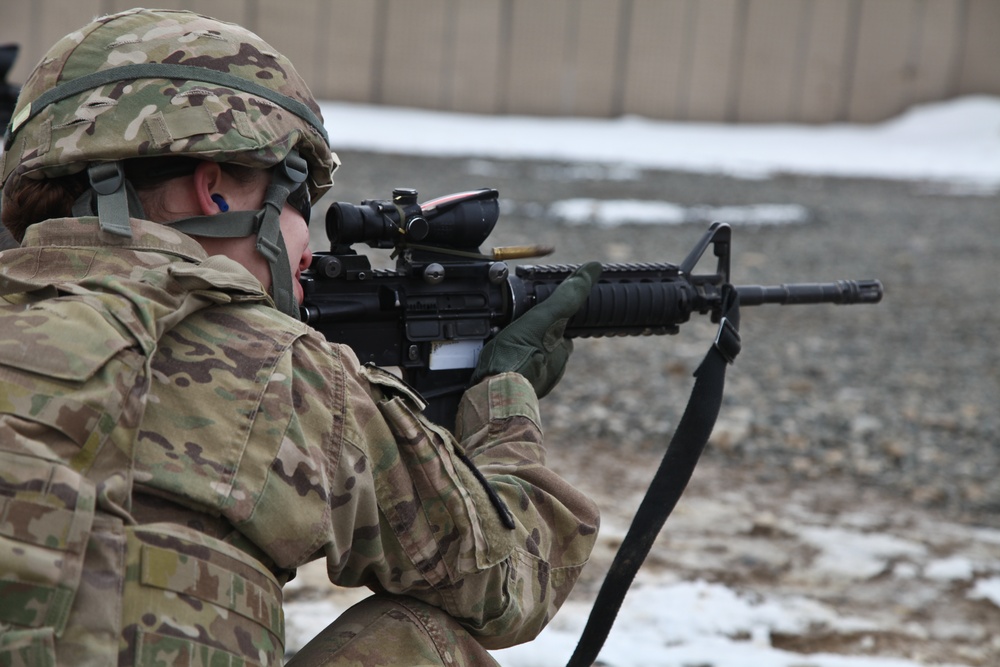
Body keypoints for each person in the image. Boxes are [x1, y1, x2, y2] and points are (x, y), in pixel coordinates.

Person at [0, 8, 600, 666]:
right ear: (215, 191)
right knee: (423, 641)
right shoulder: (290, 376)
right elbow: (509, 578)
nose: (305, 249)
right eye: (297, 203)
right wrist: (505, 404)